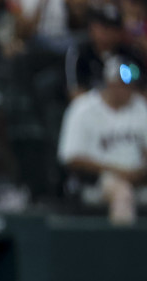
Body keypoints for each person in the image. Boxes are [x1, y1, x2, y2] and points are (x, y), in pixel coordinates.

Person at [57, 55, 147, 224]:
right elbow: (71, 158)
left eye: (131, 86)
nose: (128, 90)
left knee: (126, 190)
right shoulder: (83, 108)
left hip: (138, 180)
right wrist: (120, 172)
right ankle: (123, 248)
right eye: (122, 84)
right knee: (122, 193)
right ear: (110, 83)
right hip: (97, 182)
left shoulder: (140, 107)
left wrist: (140, 171)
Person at [65, 3, 143, 98]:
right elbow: (75, 92)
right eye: (104, 28)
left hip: (126, 109)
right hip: (89, 108)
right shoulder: (80, 52)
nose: (109, 33)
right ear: (92, 28)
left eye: (114, 28)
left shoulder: (129, 53)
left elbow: (142, 89)